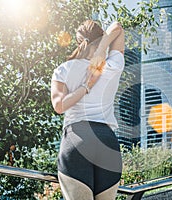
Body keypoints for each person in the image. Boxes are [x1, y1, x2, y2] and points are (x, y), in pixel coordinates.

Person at [50, 20, 125, 200]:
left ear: (79, 42)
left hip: (77, 140)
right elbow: (118, 28)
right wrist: (102, 50)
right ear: (101, 39)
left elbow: (59, 106)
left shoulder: (64, 69)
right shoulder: (113, 66)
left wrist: (85, 86)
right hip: (107, 143)